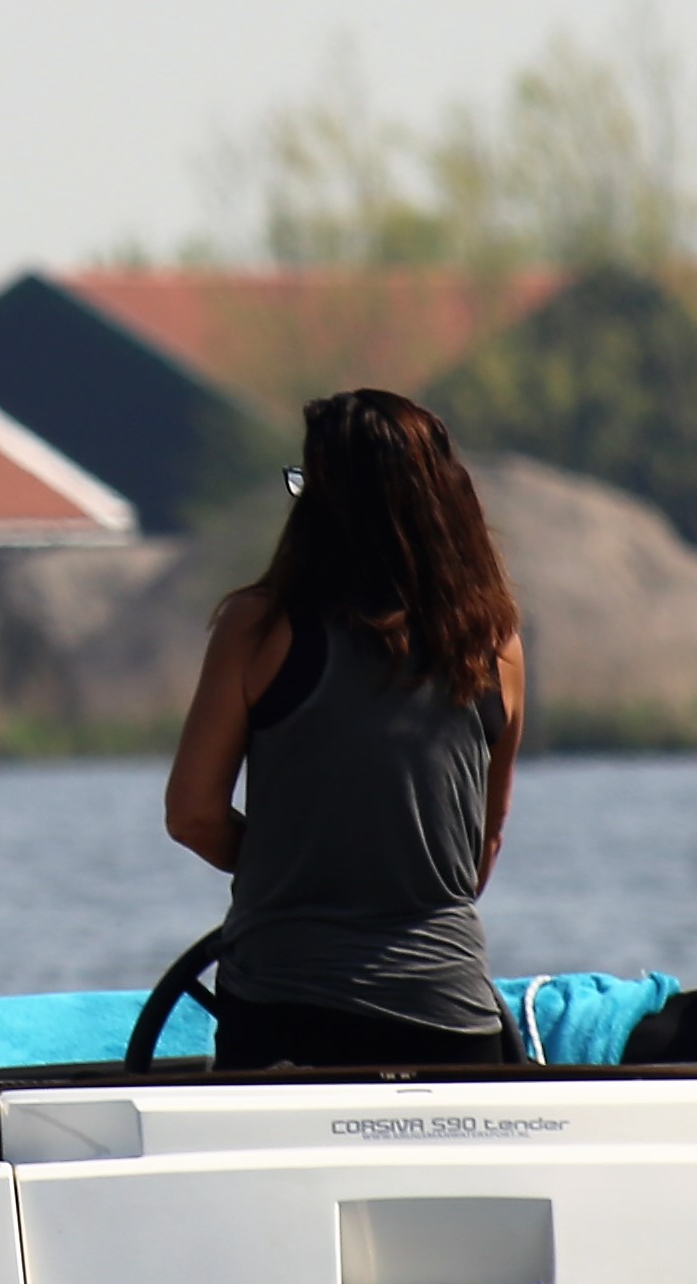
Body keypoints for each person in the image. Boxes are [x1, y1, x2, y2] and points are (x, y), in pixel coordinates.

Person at [161, 389, 528, 1068]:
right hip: (452, 1018)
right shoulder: (493, 641)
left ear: (326, 507)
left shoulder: (258, 627)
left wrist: (301, 865)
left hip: (284, 1013)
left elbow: (192, 816)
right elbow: (482, 845)